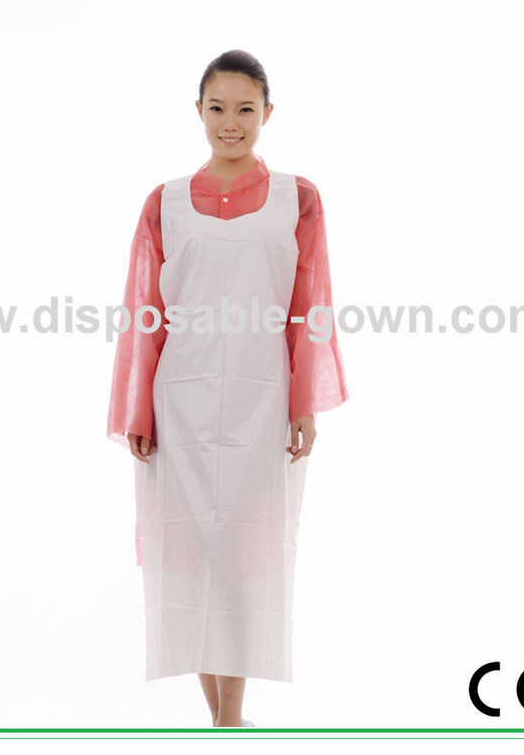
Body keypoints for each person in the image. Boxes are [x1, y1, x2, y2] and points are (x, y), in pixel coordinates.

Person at [107, 49, 349, 728]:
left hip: (261, 398)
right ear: (198, 111)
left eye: (246, 109)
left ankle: (228, 720)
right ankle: (228, 723)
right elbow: (144, 312)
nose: (231, 122)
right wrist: (137, 407)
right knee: (192, 558)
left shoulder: (298, 199)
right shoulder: (164, 203)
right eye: (217, 108)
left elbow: (310, 306)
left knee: (243, 556)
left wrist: (304, 402)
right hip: (178, 402)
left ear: (268, 113)